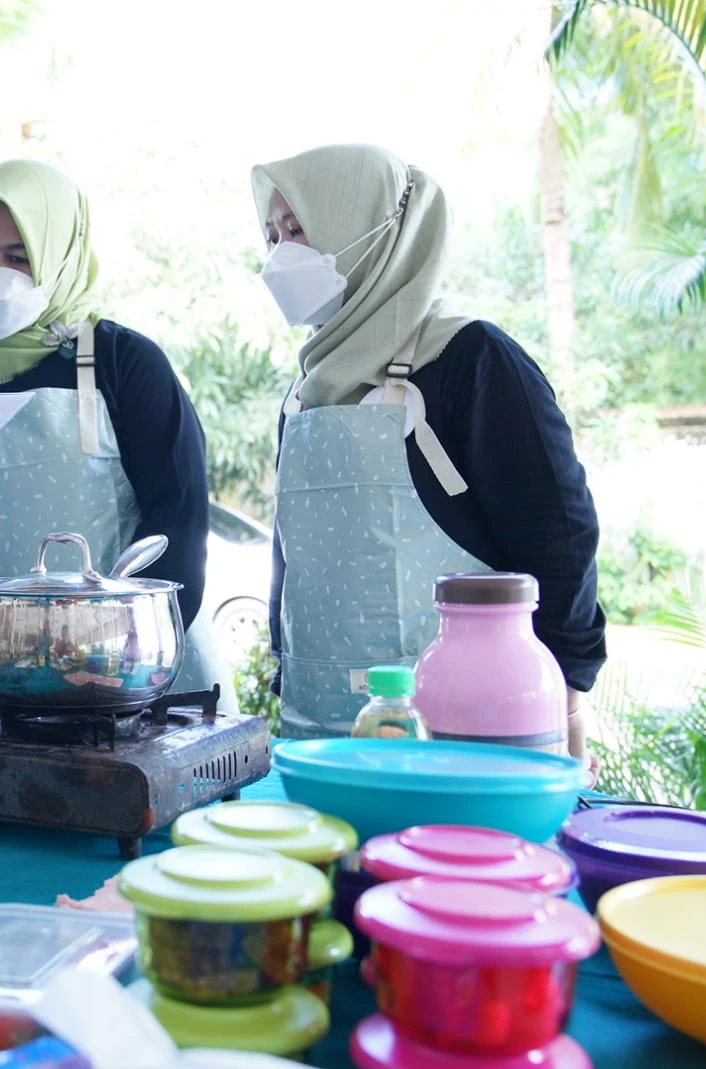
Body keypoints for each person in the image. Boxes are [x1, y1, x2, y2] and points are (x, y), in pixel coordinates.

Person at [251, 144, 605, 759]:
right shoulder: (304, 391)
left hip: (470, 732)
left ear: (370, 231)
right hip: (317, 730)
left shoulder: (471, 359)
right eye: (273, 234)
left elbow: (560, 534)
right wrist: (285, 671)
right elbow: (294, 556)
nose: (284, 255)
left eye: (301, 230)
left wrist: (566, 690)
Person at [0, 159, 234, 710]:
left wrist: (123, 655)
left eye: (19, 257)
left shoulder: (124, 364)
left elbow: (180, 518)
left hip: (138, 676)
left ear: (61, 256)